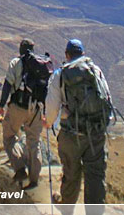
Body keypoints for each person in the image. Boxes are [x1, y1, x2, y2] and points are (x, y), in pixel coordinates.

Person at [44, 39, 112, 209]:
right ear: (83, 53)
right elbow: (107, 101)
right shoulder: (95, 71)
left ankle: (67, 208)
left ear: (67, 55)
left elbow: (52, 106)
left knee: (71, 173)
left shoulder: (60, 75)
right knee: (95, 176)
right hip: (95, 134)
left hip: (71, 134)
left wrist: (48, 122)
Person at [0, 39, 53, 190]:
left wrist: (1, 106)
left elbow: (8, 84)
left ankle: (20, 169)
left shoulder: (16, 63)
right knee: (34, 142)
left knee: (9, 136)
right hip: (36, 109)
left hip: (18, 106)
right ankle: (34, 180)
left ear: (21, 49)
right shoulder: (41, 65)